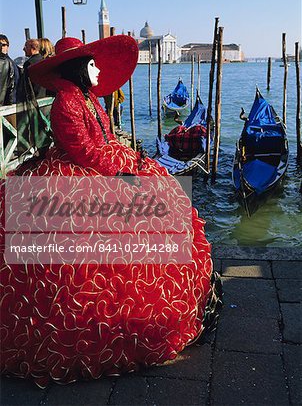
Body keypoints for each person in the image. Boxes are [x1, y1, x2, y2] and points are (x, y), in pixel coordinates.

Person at [0, 36, 221, 387]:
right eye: (92, 64)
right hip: (78, 174)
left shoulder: (88, 98)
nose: (99, 69)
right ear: (78, 69)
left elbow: (104, 139)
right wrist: (123, 170)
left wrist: (130, 157)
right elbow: (85, 152)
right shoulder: (67, 104)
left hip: (101, 163)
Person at [0, 34, 19, 106]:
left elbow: (13, 86)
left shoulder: (10, 64)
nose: (1, 47)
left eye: (4, 45)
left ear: (8, 46)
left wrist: (9, 106)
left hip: (6, 107)